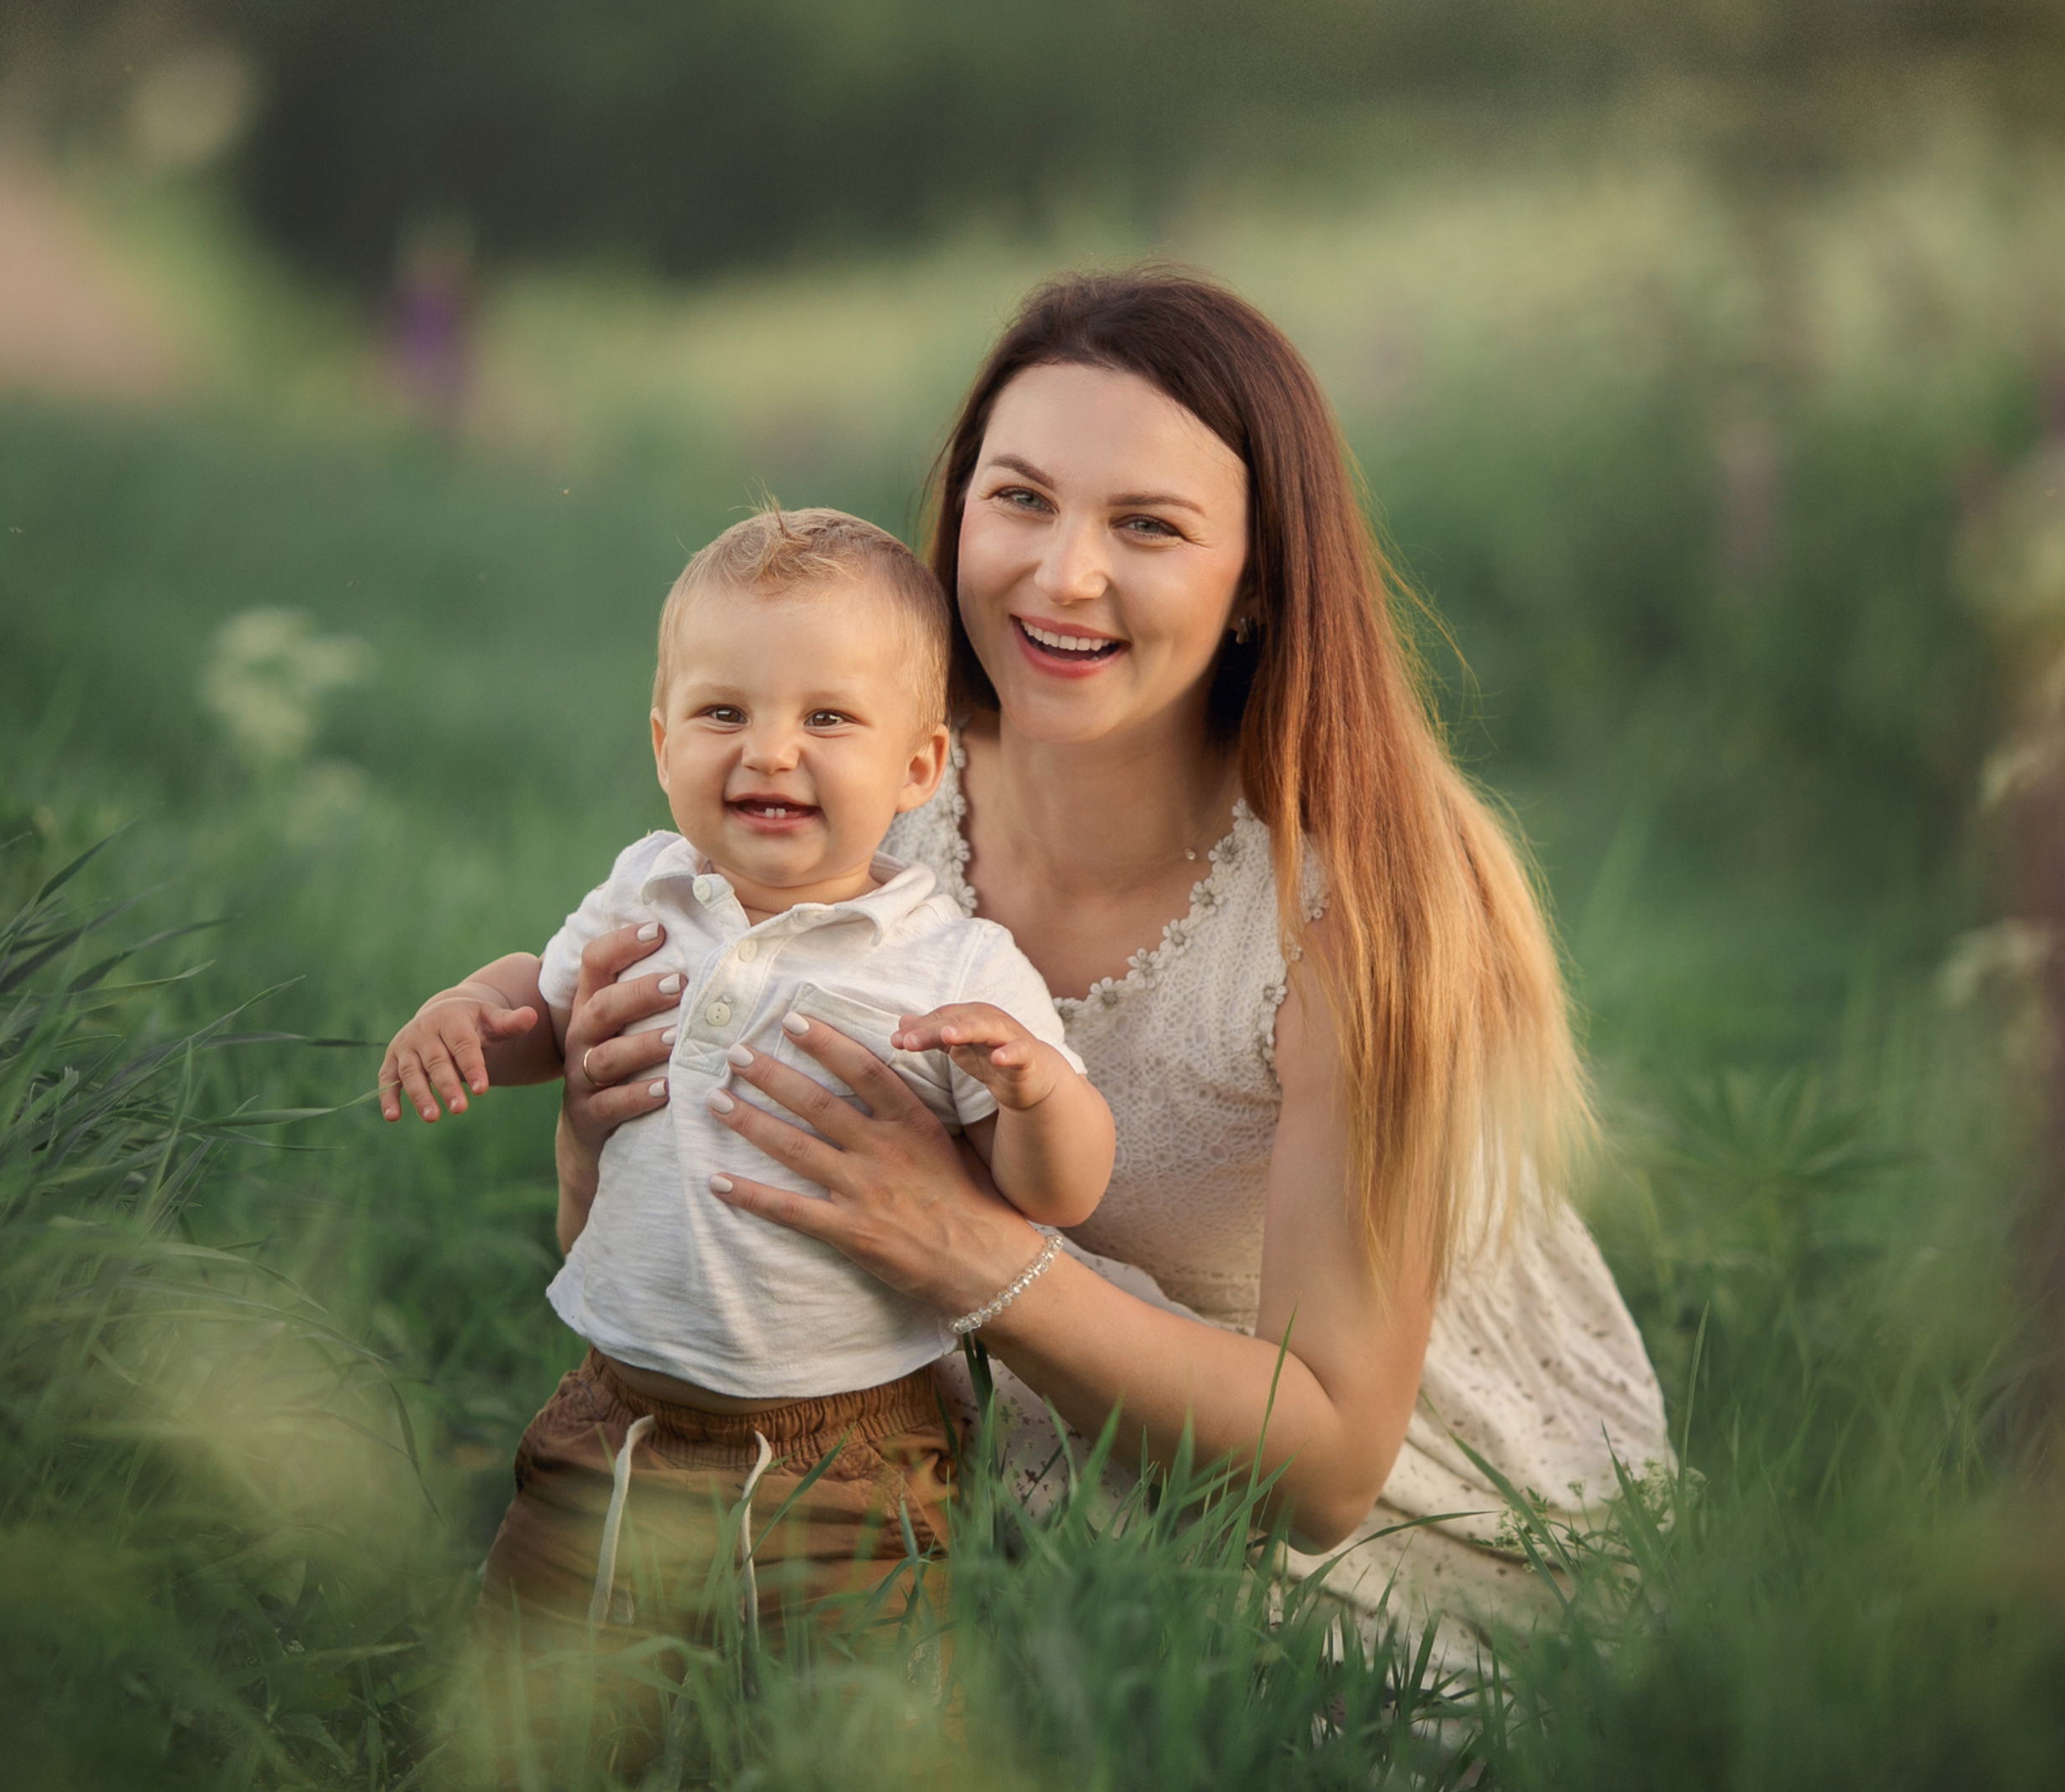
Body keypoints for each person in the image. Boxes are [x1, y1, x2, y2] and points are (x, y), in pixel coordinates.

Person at [549, 270, 1672, 1664]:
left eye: (1147, 525)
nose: (1062, 573)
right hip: (925, 1421)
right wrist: (598, 1130)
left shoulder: (1360, 903)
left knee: (1160, 1698)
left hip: (1354, 1486)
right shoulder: (863, 779)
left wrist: (972, 1250)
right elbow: (662, 1235)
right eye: (1019, 499)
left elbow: (1329, 1470)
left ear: (1256, 578)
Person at [377, 507, 1114, 1635]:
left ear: (917, 766)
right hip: (616, 1417)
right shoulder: (647, 892)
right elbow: (551, 1005)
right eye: (726, 713)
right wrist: (472, 1011)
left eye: (827, 717)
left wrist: (1037, 1094)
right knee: (536, 1701)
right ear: (664, 743)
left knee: (861, 1718)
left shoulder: (948, 963)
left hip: (851, 1446)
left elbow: (1060, 1191)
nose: (770, 751)